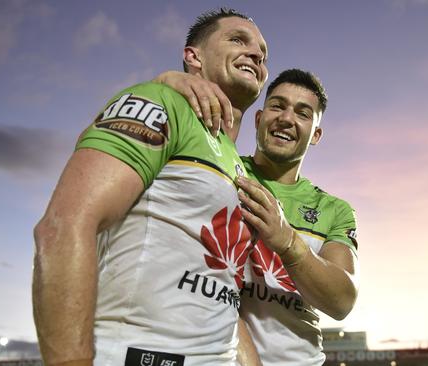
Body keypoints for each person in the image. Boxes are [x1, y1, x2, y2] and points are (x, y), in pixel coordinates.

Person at [32, 8, 268, 366]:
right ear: (194, 56)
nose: (255, 54)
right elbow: (62, 226)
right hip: (136, 354)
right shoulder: (161, 101)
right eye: (238, 39)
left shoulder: (235, 160)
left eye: (263, 53)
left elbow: (223, 292)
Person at [235, 69, 359, 365]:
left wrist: (289, 242)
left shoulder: (334, 209)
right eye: (277, 106)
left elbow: (341, 301)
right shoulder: (223, 171)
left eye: (303, 113)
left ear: (315, 135)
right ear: (258, 119)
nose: (287, 118)